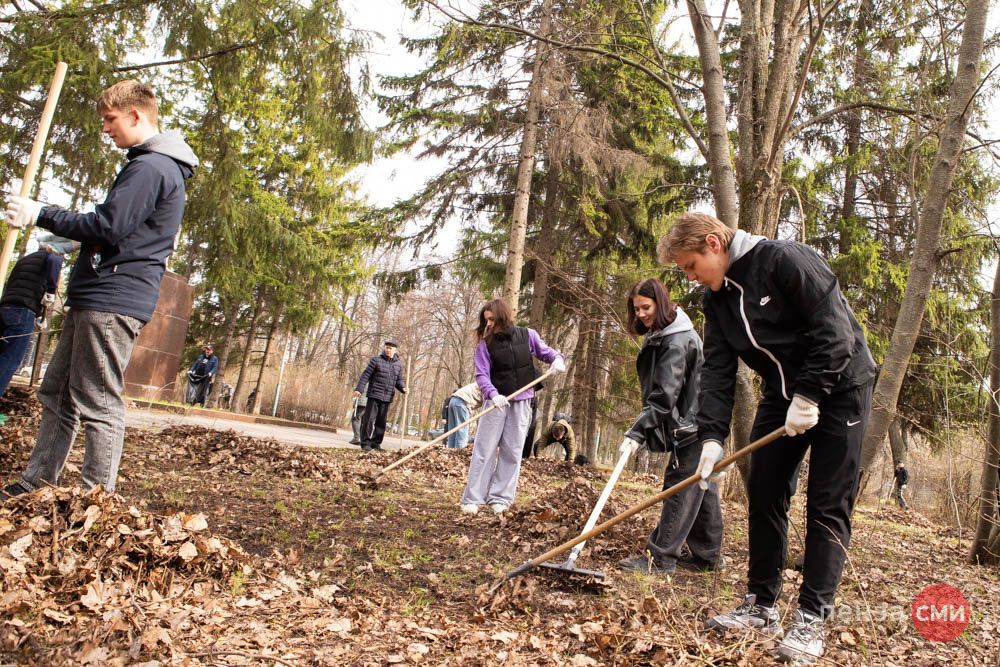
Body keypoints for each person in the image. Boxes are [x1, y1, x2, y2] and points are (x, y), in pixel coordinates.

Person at [660, 212, 877, 663]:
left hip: (842, 386)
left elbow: (836, 333)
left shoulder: (786, 260)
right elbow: (717, 371)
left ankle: (812, 617)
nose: (690, 276)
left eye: (690, 265)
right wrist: (712, 437)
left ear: (714, 243)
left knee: (827, 502)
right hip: (783, 395)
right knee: (763, 490)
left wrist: (810, 395)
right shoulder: (716, 300)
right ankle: (761, 605)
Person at [2, 80, 198, 502]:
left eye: (110, 119)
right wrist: (73, 239)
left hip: (112, 299)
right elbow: (123, 231)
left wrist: (42, 213)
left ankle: (97, 501)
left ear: (135, 115)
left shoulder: (152, 167)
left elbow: (109, 226)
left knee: (98, 399)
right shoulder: (149, 166)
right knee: (57, 391)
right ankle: (36, 481)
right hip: (96, 294)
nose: (105, 128)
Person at [615, 278, 723, 576]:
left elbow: (664, 396)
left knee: (679, 487)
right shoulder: (667, 333)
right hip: (698, 422)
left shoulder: (676, 341)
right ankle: (708, 557)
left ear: (660, 303)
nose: (640, 314)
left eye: (646, 307)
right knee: (701, 486)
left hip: (693, 426)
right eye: (636, 309)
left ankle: (660, 559)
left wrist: (637, 432)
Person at [459, 298, 566, 515]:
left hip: (522, 402)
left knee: (513, 451)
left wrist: (557, 359)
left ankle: (500, 498)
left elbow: (546, 352)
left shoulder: (528, 335)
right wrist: (493, 394)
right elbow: (482, 375)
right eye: (486, 320)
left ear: (503, 317)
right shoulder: (485, 345)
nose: (488, 324)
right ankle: (473, 498)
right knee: (484, 450)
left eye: (492, 319)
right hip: (496, 403)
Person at [0, 247, 64, 397]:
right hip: (23, 312)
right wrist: (51, 290)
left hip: (5, 308)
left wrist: (38, 316)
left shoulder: (24, 260)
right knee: (10, 360)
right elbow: (54, 260)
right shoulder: (51, 256)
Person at [353, 339, 407, 452]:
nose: (388, 350)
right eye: (386, 347)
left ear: (395, 350)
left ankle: (376, 443)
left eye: (390, 348)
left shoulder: (398, 364)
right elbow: (366, 375)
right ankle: (365, 443)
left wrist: (403, 388)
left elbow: (398, 380)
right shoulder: (376, 361)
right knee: (369, 420)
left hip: (387, 397)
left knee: (381, 422)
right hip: (374, 394)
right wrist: (359, 389)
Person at [445, 382, 483, 449]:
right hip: (462, 402)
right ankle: (460, 453)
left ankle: (450, 451)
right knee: (462, 431)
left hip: (453, 400)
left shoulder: (481, 381)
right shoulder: (490, 386)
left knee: (453, 431)